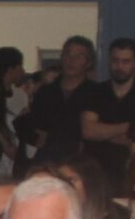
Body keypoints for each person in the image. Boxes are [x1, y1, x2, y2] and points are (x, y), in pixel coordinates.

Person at [76, 36, 135, 182]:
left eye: (125, 61)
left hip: (131, 171)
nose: (119, 67)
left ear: (134, 64)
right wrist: (131, 125)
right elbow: (88, 131)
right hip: (96, 171)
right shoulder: (94, 92)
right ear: (109, 61)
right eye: (115, 61)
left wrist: (103, 131)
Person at [22, 36, 96, 168]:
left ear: (89, 62)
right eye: (68, 54)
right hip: (46, 162)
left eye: (79, 56)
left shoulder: (96, 93)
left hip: (80, 163)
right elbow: (36, 130)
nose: (71, 60)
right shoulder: (46, 92)